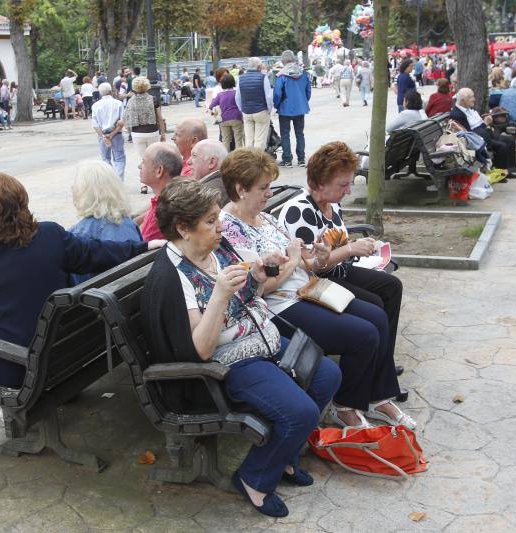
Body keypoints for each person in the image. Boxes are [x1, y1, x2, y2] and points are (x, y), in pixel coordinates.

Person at [141, 178, 341, 518]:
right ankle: (253, 477)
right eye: (210, 221)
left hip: (262, 340)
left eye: (218, 216)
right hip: (225, 366)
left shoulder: (215, 249)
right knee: (301, 412)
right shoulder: (171, 278)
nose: (221, 226)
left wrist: (258, 277)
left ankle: (285, 458)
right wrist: (219, 295)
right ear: (183, 228)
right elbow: (201, 350)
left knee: (328, 375)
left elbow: (248, 296)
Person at [0, 173, 158, 458]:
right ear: (23, 204)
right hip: (69, 354)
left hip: (15, 368)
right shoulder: (51, 235)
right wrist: (143, 246)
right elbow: (95, 254)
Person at [222, 147, 413, 432]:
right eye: (263, 188)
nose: (269, 194)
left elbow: (302, 260)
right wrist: (298, 260)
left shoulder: (263, 217)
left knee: (376, 315)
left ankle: (376, 396)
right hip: (278, 307)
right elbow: (259, 287)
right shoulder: (230, 229)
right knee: (365, 334)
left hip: (305, 289)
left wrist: (318, 258)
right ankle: (344, 405)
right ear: (240, 190)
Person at [279, 142, 413, 423]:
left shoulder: (330, 203)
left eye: (348, 184)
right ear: (318, 184)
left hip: (337, 271)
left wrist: (357, 245)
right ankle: (362, 392)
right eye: (342, 185)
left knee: (391, 287)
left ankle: (380, 379)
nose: (348, 191)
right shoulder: (299, 211)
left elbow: (335, 244)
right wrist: (351, 250)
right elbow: (311, 265)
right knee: (375, 305)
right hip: (317, 280)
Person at [69, 161, 143, 284]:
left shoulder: (78, 234)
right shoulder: (128, 224)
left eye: (75, 185)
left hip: (95, 300)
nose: (72, 188)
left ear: (83, 192)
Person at [452, 88, 516, 177]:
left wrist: (485, 123)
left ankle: (509, 171)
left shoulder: (468, 107)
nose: (474, 99)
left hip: (485, 133)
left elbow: (478, 123)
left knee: (509, 139)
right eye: (471, 97)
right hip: (478, 140)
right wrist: (486, 123)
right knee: (502, 146)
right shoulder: (457, 114)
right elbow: (469, 133)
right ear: (463, 100)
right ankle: (501, 174)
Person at [123, 76, 166, 193]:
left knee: (141, 158)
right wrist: (162, 132)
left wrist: (128, 130)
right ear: (147, 86)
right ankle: (158, 182)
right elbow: (159, 118)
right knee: (156, 157)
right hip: (152, 131)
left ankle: (143, 185)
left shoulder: (131, 100)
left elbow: (126, 117)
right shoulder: (153, 99)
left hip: (137, 133)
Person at [272, 50, 311, 168]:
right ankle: (301, 159)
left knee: (285, 135)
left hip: (285, 108)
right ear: (293, 59)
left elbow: (277, 93)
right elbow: (308, 91)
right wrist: (303, 101)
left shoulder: (281, 75)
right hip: (300, 108)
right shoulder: (303, 73)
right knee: (300, 134)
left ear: (283, 61)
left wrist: (276, 105)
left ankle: (287, 159)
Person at [137, 142, 183, 241]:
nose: (139, 166)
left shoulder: (162, 212)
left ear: (159, 170)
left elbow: (144, 246)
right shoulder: (173, 196)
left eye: (143, 162)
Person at [235, 57, 273, 150]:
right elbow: (268, 96)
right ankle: (257, 161)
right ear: (259, 66)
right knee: (259, 140)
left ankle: (248, 160)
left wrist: (242, 109)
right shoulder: (263, 77)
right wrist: (269, 109)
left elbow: (237, 97)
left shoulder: (241, 78)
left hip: (246, 112)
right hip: (261, 111)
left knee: (249, 139)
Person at [91, 82, 126, 179]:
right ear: (111, 91)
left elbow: (95, 124)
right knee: (119, 158)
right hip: (116, 134)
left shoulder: (95, 105)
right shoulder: (118, 104)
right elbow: (122, 122)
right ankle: (119, 180)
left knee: (105, 159)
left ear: (100, 93)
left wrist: (104, 136)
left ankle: (110, 180)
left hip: (102, 134)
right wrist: (112, 134)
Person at [186, 138, 230, 205]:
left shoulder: (206, 193)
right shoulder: (226, 182)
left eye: (194, 156)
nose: (188, 161)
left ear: (212, 162)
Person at [209, 74, 244, 152]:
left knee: (226, 140)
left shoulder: (219, 95)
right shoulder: (236, 93)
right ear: (233, 82)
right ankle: (239, 158)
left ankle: (225, 158)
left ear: (222, 84)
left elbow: (211, 105)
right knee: (238, 139)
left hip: (224, 119)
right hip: (236, 118)